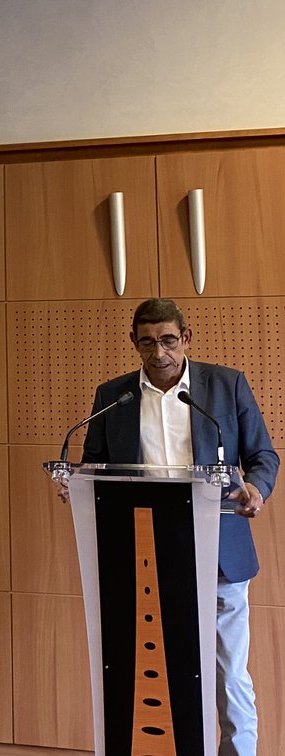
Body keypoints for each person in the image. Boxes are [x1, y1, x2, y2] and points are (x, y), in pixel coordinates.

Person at [81, 298, 279, 756]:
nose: (160, 353)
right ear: (134, 343)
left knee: (228, 674)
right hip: (142, 553)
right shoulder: (114, 396)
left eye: (169, 340)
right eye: (147, 342)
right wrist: (79, 485)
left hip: (219, 551)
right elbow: (94, 464)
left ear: (186, 338)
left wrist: (257, 489)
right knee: (151, 669)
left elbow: (263, 456)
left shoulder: (226, 386)